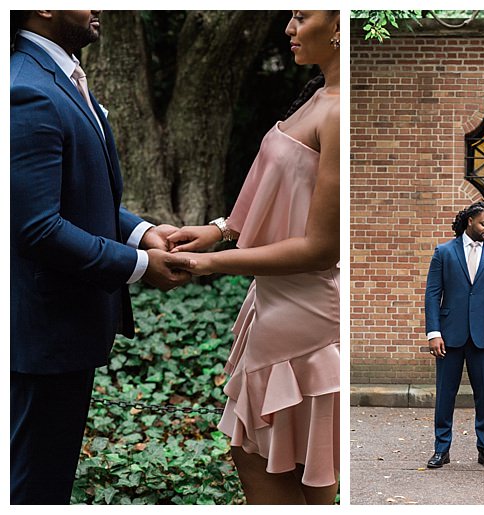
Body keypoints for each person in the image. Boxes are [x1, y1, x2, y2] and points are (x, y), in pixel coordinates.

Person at [10, 10, 192, 504]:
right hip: (42, 336)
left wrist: (143, 233)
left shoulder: (61, 75)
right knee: (33, 488)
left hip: (60, 333)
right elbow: (36, 227)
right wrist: (138, 267)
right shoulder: (24, 88)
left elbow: (81, 195)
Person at [165, 10, 340, 505]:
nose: (288, 28)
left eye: (301, 16)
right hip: (273, 300)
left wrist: (210, 265)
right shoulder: (315, 98)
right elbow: (281, 189)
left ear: (340, 27)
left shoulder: (339, 112)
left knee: (280, 459)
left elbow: (322, 247)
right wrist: (219, 230)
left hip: (305, 314)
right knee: (281, 459)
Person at [424, 201, 484, 470]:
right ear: (470, 221)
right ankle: (441, 449)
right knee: (445, 394)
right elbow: (432, 294)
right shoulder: (444, 252)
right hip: (449, 336)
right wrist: (434, 332)